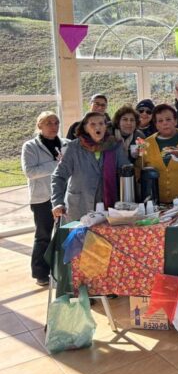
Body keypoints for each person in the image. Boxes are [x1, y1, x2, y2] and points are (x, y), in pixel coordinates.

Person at [51, 112, 129, 221]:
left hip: (109, 207)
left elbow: (126, 172)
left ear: (106, 127)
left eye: (101, 123)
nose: (98, 127)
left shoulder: (115, 145)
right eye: (92, 124)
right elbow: (59, 176)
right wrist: (58, 202)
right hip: (79, 207)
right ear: (85, 128)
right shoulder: (73, 147)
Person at [21, 111, 66, 286]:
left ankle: (64, 271)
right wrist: (58, 164)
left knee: (65, 234)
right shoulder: (30, 146)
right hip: (42, 198)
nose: (54, 126)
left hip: (64, 196)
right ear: (39, 125)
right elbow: (30, 171)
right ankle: (40, 273)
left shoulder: (66, 143)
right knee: (43, 236)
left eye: (56, 122)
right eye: (49, 123)